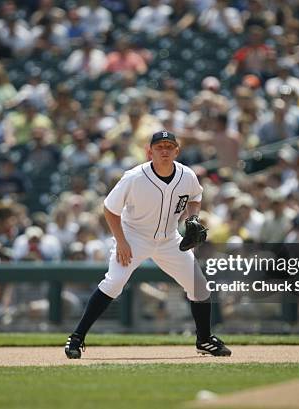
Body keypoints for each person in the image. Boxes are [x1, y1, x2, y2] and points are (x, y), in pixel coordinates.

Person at [64, 131, 231, 359]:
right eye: (159, 146)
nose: (164, 150)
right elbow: (109, 209)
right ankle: (77, 337)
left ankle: (204, 340)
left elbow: (195, 198)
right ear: (149, 151)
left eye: (169, 146)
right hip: (134, 238)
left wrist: (193, 218)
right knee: (114, 283)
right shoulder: (134, 177)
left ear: (176, 151)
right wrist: (121, 242)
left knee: (200, 287)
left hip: (169, 239)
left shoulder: (187, 175)